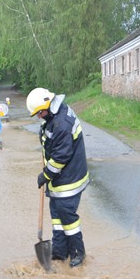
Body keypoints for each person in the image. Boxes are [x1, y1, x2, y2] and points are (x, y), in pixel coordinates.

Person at [26, 87, 90, 267]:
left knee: (68, 218)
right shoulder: (53, 114)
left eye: (39, 113)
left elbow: (61, 156)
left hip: (70, 179)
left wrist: (45, 175)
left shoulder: (61, 123)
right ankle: (60, 252)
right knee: (57, 216)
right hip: (60, 179)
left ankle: (78, 253)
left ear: (47, 105)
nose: (38, 117)